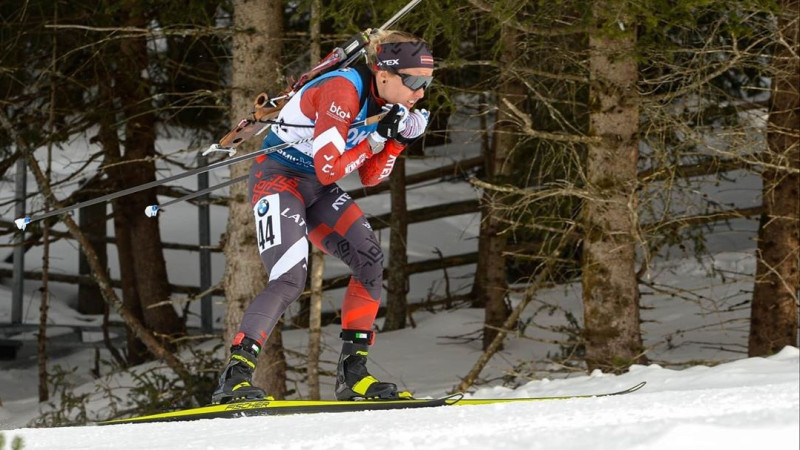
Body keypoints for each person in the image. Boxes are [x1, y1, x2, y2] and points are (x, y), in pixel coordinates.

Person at [212, 30, 434, 404]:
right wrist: (377, 140)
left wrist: (397, 140)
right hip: (279, 178)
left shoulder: (392, 100)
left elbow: (371, 176)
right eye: (413, 82)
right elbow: (331, 168)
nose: (420, 93)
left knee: (369, 259)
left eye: (427, 83)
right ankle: (234, 377)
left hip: (315, 185)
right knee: (289, 278)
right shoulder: (342, 91)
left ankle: (353, 376)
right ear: (383, 74)